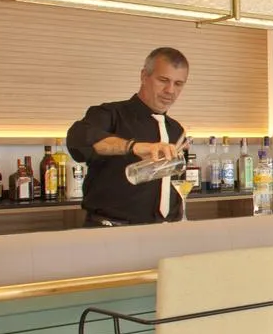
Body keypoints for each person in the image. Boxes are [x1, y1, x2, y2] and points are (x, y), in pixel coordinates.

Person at [66, 47, 189, 226]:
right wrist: (134, 147)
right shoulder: (110, 114)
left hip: (165, 231)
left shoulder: (176, 130)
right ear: (144, 76)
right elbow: (79, 140)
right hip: (111, 231)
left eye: (178, 84)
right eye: (163, 80)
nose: (170, 90)